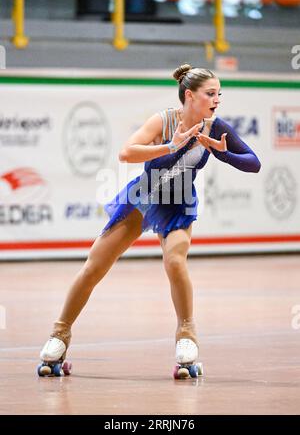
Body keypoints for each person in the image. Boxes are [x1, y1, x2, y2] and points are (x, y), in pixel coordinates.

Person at [39, 64, 261, 378]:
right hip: (144, 195)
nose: (217, 99)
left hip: (179, 202)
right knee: (95, 264)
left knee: (175, 261)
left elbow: (254, 163)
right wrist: (172, 145)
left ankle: (186, 334)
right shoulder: (165, 120)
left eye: (219, 93)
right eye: (211, 93)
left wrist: (222, 153)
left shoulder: (215, 125)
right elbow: (126, 154)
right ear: (190, 95)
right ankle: (59, 335)